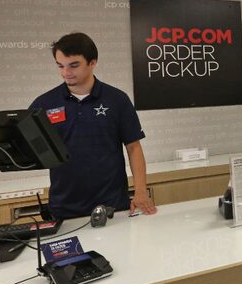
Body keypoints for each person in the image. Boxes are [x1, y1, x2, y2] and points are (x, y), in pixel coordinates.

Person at [30, 32, 157, 219]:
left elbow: (133, 147)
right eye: (60, 66)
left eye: (74, 65)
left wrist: (140, 191)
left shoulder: (117, 99)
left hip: (113, 205)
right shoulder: (44, 104)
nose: (66, 72)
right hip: (64, 207)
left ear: (92, 63)